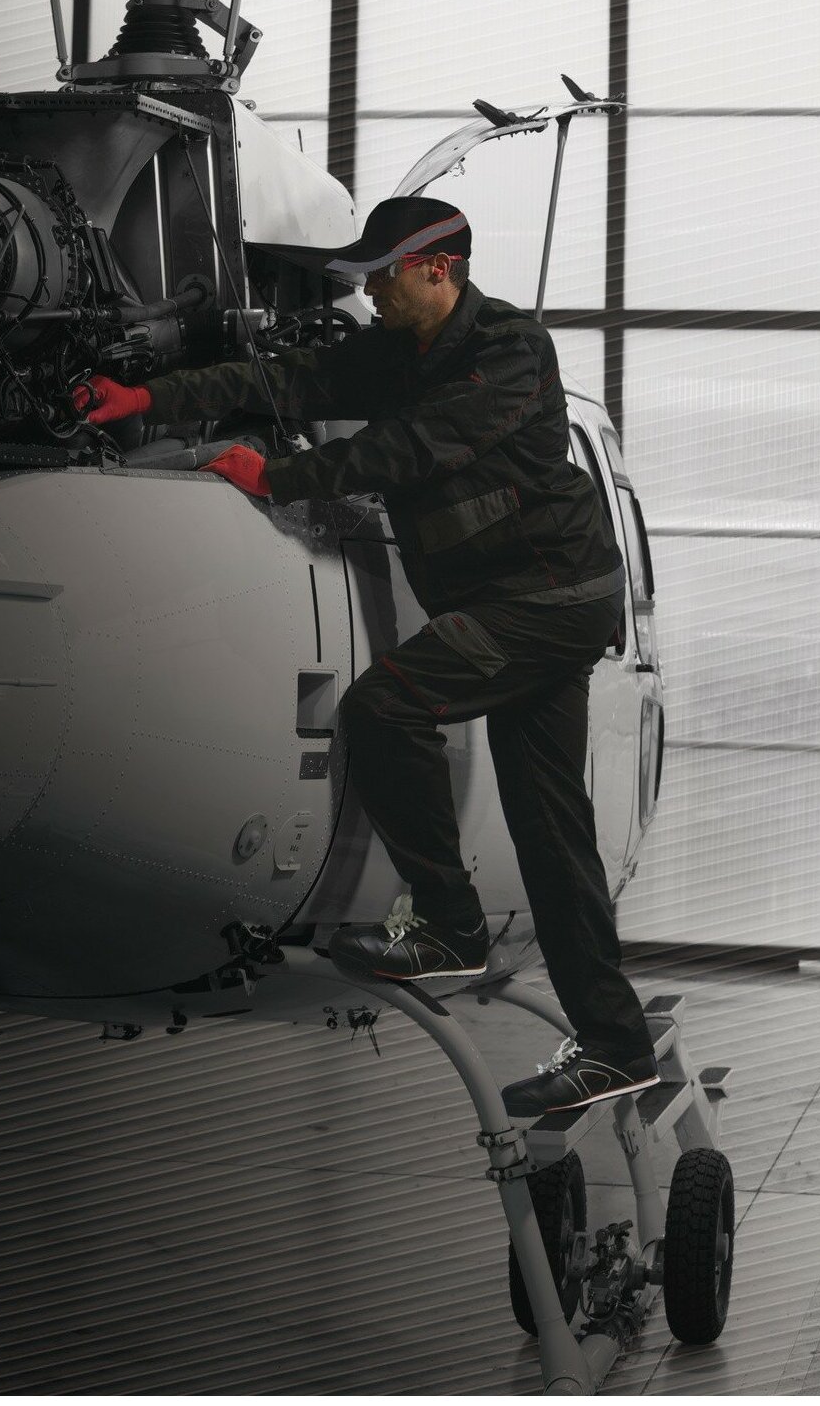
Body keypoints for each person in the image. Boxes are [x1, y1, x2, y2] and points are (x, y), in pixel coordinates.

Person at [76, 197, 658, 1113]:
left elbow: (419, 446)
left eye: (383, 274)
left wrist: (280, 477)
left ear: (439, 268)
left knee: (385, 706)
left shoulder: (509, 347)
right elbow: (290, 380)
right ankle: (617, 1047)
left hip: (547, 598)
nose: (371, 290)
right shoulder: (400, 348)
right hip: (514, 600)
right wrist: (147, 397)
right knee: (552, 837)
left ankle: (447, 927)